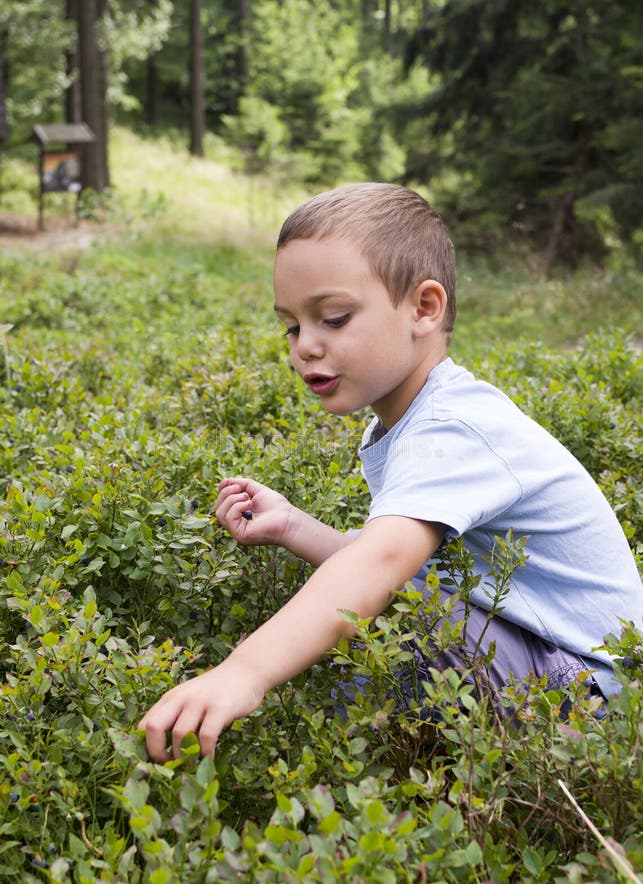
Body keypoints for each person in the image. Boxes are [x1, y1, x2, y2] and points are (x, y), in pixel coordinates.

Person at [139, 183, 642, 762]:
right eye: (293, 327)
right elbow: (412, 564)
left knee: (399, 616)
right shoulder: (408, 420)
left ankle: (356, 785)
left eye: (333, 318)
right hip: (555, 669)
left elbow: (380, 567)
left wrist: (242, 673)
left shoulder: (453, 429)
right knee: (401, 603)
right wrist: (294, 526)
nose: (306, 346)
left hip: (596, 702)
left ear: (424, 309)